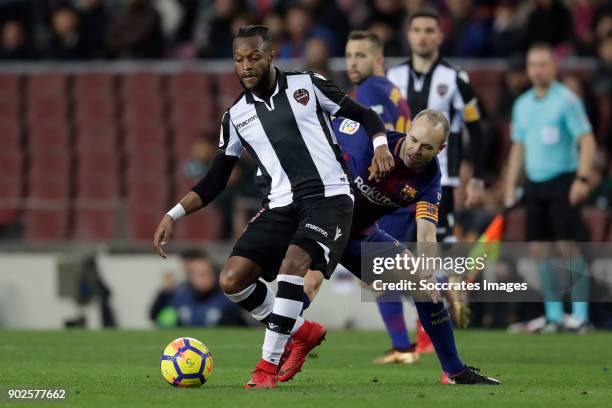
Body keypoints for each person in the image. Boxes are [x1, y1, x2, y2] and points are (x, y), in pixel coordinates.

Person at [153, 25, 394, 389]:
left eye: (253, 57)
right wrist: (174, 214)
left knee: (292, 265)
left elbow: (365, 115)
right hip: (281, 205)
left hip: (328, 198)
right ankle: (301, 330)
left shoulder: (307, 85)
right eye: (238, 59)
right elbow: (215, 180)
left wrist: (380, 145)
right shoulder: (236, 117)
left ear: (271, 55)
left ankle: (266, 369)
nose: (246, 66)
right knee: (231, 280)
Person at [285, 110, 501, 385]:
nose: (415, 150)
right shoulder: (367, 141)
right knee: (307, 284)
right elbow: (321, 121)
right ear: (407, 130)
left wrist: (426, 272)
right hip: (323, 222)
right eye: (413, 140)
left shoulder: (430, 177)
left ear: (441, 149)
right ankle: (273, 357)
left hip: (361, 236)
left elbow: (426, 231)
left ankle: (455, 371)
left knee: (426, 290)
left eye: (427, 147)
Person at [385, 8, 485, 352]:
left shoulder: (456, 77)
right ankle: (408, 338)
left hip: (443, 181)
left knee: (434, 249)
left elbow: (477, 127)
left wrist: (478, 177)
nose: (424, 36)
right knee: (389, 257)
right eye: (418, 30)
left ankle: (426, 334)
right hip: (396, 180)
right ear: (408, 35)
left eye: (430, 30)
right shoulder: (391, 76)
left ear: (440, 36)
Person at [333, 30, 418, 364]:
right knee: (386, 275)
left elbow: (373, 140)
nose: (353, 62)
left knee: (383, 276)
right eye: (350, 55)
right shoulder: (393, 90)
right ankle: (403, 346)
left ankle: (403, 346)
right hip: (398, 194)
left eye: (361, 55)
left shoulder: (370, 90)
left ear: (378, 59)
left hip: (382, 194)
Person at [504, 42, 597, 333]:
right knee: (539, 251)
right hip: (535, 183)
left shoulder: (567, 100)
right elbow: (518, 148)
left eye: (543, 64)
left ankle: (581, 316)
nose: (537, 70)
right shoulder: (522, 104)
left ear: (554, 67)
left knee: (569, 249)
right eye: (533, 65)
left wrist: (582, 178)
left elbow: (587, 140)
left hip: (563, 180)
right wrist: (510, 186)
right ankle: (554, 316)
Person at [150, 249, 247, 327]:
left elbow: (241, 326)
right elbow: (154, 316)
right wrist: (164, 293)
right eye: (200, 274)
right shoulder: (179, 295)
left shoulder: (227, 298)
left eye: (208, 273)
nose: (205, 278)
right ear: (190, 277)